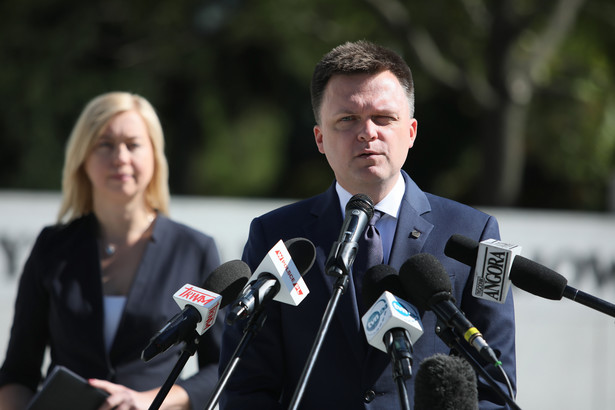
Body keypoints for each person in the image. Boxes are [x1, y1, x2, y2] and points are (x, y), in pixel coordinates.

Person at [219, 40, 516, 409]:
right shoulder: (275, 235)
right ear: (320, 138)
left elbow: (497, 384)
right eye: (347, 120)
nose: (368, 133)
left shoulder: (480, 233)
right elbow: (246, 385)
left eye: (384, 118)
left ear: (410, 131)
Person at [0, 92, 222, 410]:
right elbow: (17, 373)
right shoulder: (52, 247)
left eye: (133, 144)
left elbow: (222, 366)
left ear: (154, 157)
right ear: (82, 157)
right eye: (105, 144)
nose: (120, 157)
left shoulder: (194, 249)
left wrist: (146, 401)